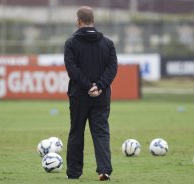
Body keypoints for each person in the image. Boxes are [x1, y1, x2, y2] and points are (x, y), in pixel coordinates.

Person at [64, 6, 118, 181]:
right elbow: (112, 68)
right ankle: (104, 170)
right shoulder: (108, 44)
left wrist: (88, 86)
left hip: (79, 96)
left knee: (76, 133)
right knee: (101, 133)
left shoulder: (71, 43)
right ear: (93, 21)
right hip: (101, 97)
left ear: (78, 21)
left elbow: (72, 69)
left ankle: (74, 173)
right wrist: (99, 86)